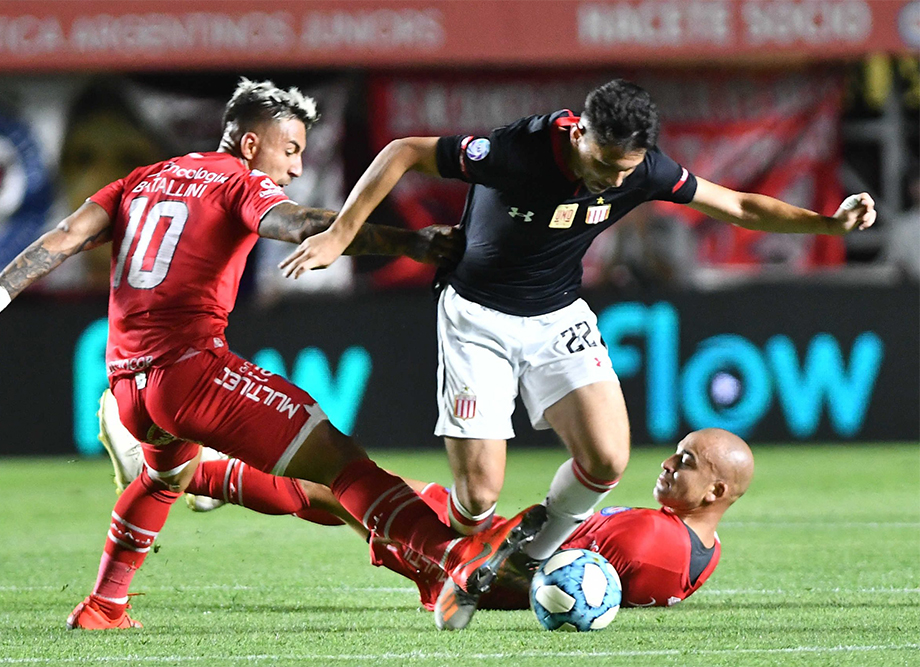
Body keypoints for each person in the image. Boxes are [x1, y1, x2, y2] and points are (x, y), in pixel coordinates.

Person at [0, 79, 547, 631]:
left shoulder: (143, 178)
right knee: (341, 464)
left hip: (128, 384)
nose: (296, 167)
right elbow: (299, 222)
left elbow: (65, 237)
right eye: (291, 150)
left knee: (163, 479)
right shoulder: (238, 180)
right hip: (192, 373)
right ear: (252, 143)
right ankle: (455, 556)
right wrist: (407, 241)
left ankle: (104, 605)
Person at [277, 78, 876, 629]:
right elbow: (404, 150)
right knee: (477, 498)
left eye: (625, 170)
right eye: (604, 164)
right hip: (477, 317)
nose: (613, 181)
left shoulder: (646, 170)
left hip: (558, 317)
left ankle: (525, 558)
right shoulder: (519, 150)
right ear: (580, 133)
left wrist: (827, 225)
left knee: (607, 458)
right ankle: (460, 557)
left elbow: (740, 206)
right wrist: (340, 234)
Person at [96, 400, 751, 613]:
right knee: (340, 493)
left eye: (686, 462)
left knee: (338, 483)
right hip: (484, 552)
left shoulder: (652, 541)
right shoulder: (700, 550)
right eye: (677, 453)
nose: (669, 463)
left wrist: (463, 570)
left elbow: (560, 587)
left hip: (471, 559)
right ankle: (201, 480)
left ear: (717, 492)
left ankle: (183, 473)